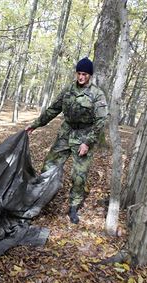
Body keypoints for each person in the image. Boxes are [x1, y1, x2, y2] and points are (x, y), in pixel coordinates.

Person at [25, 57, 107, 224]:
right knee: (49, 166)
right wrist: (35, 125)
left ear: (89, 75)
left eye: (84, 74)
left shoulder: (97, 94)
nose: (81, 77)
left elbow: (101, 121)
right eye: (79, 73)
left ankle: (73, 207)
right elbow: (53, 109)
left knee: (79, 176)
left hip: (84, 136)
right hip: (65, 133)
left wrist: (88, 142)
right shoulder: (68, 89)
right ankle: (39, 198)